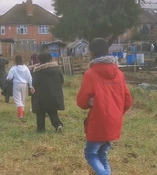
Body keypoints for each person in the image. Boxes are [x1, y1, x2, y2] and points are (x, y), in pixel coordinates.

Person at [77, 38, 132, 175]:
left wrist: (89, 102)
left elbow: (81, 101)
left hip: (99, 120)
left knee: (90, 153)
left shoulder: (90, 74)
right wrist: (117, 112)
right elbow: (128, 100)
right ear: (108, 51)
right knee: (102, 153)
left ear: (91, 53)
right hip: (115, 120)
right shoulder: (119, 73)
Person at [32, 52, 65, 133]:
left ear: (39, 60)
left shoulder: (38, 71)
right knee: (52, 111)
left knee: (40, 112)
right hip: (54, 95)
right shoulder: (56, 69)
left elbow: (35, 83)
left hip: (41, 95)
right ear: (50, 59)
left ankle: (41, 129)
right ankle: (58, 125)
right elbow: (62, 81)